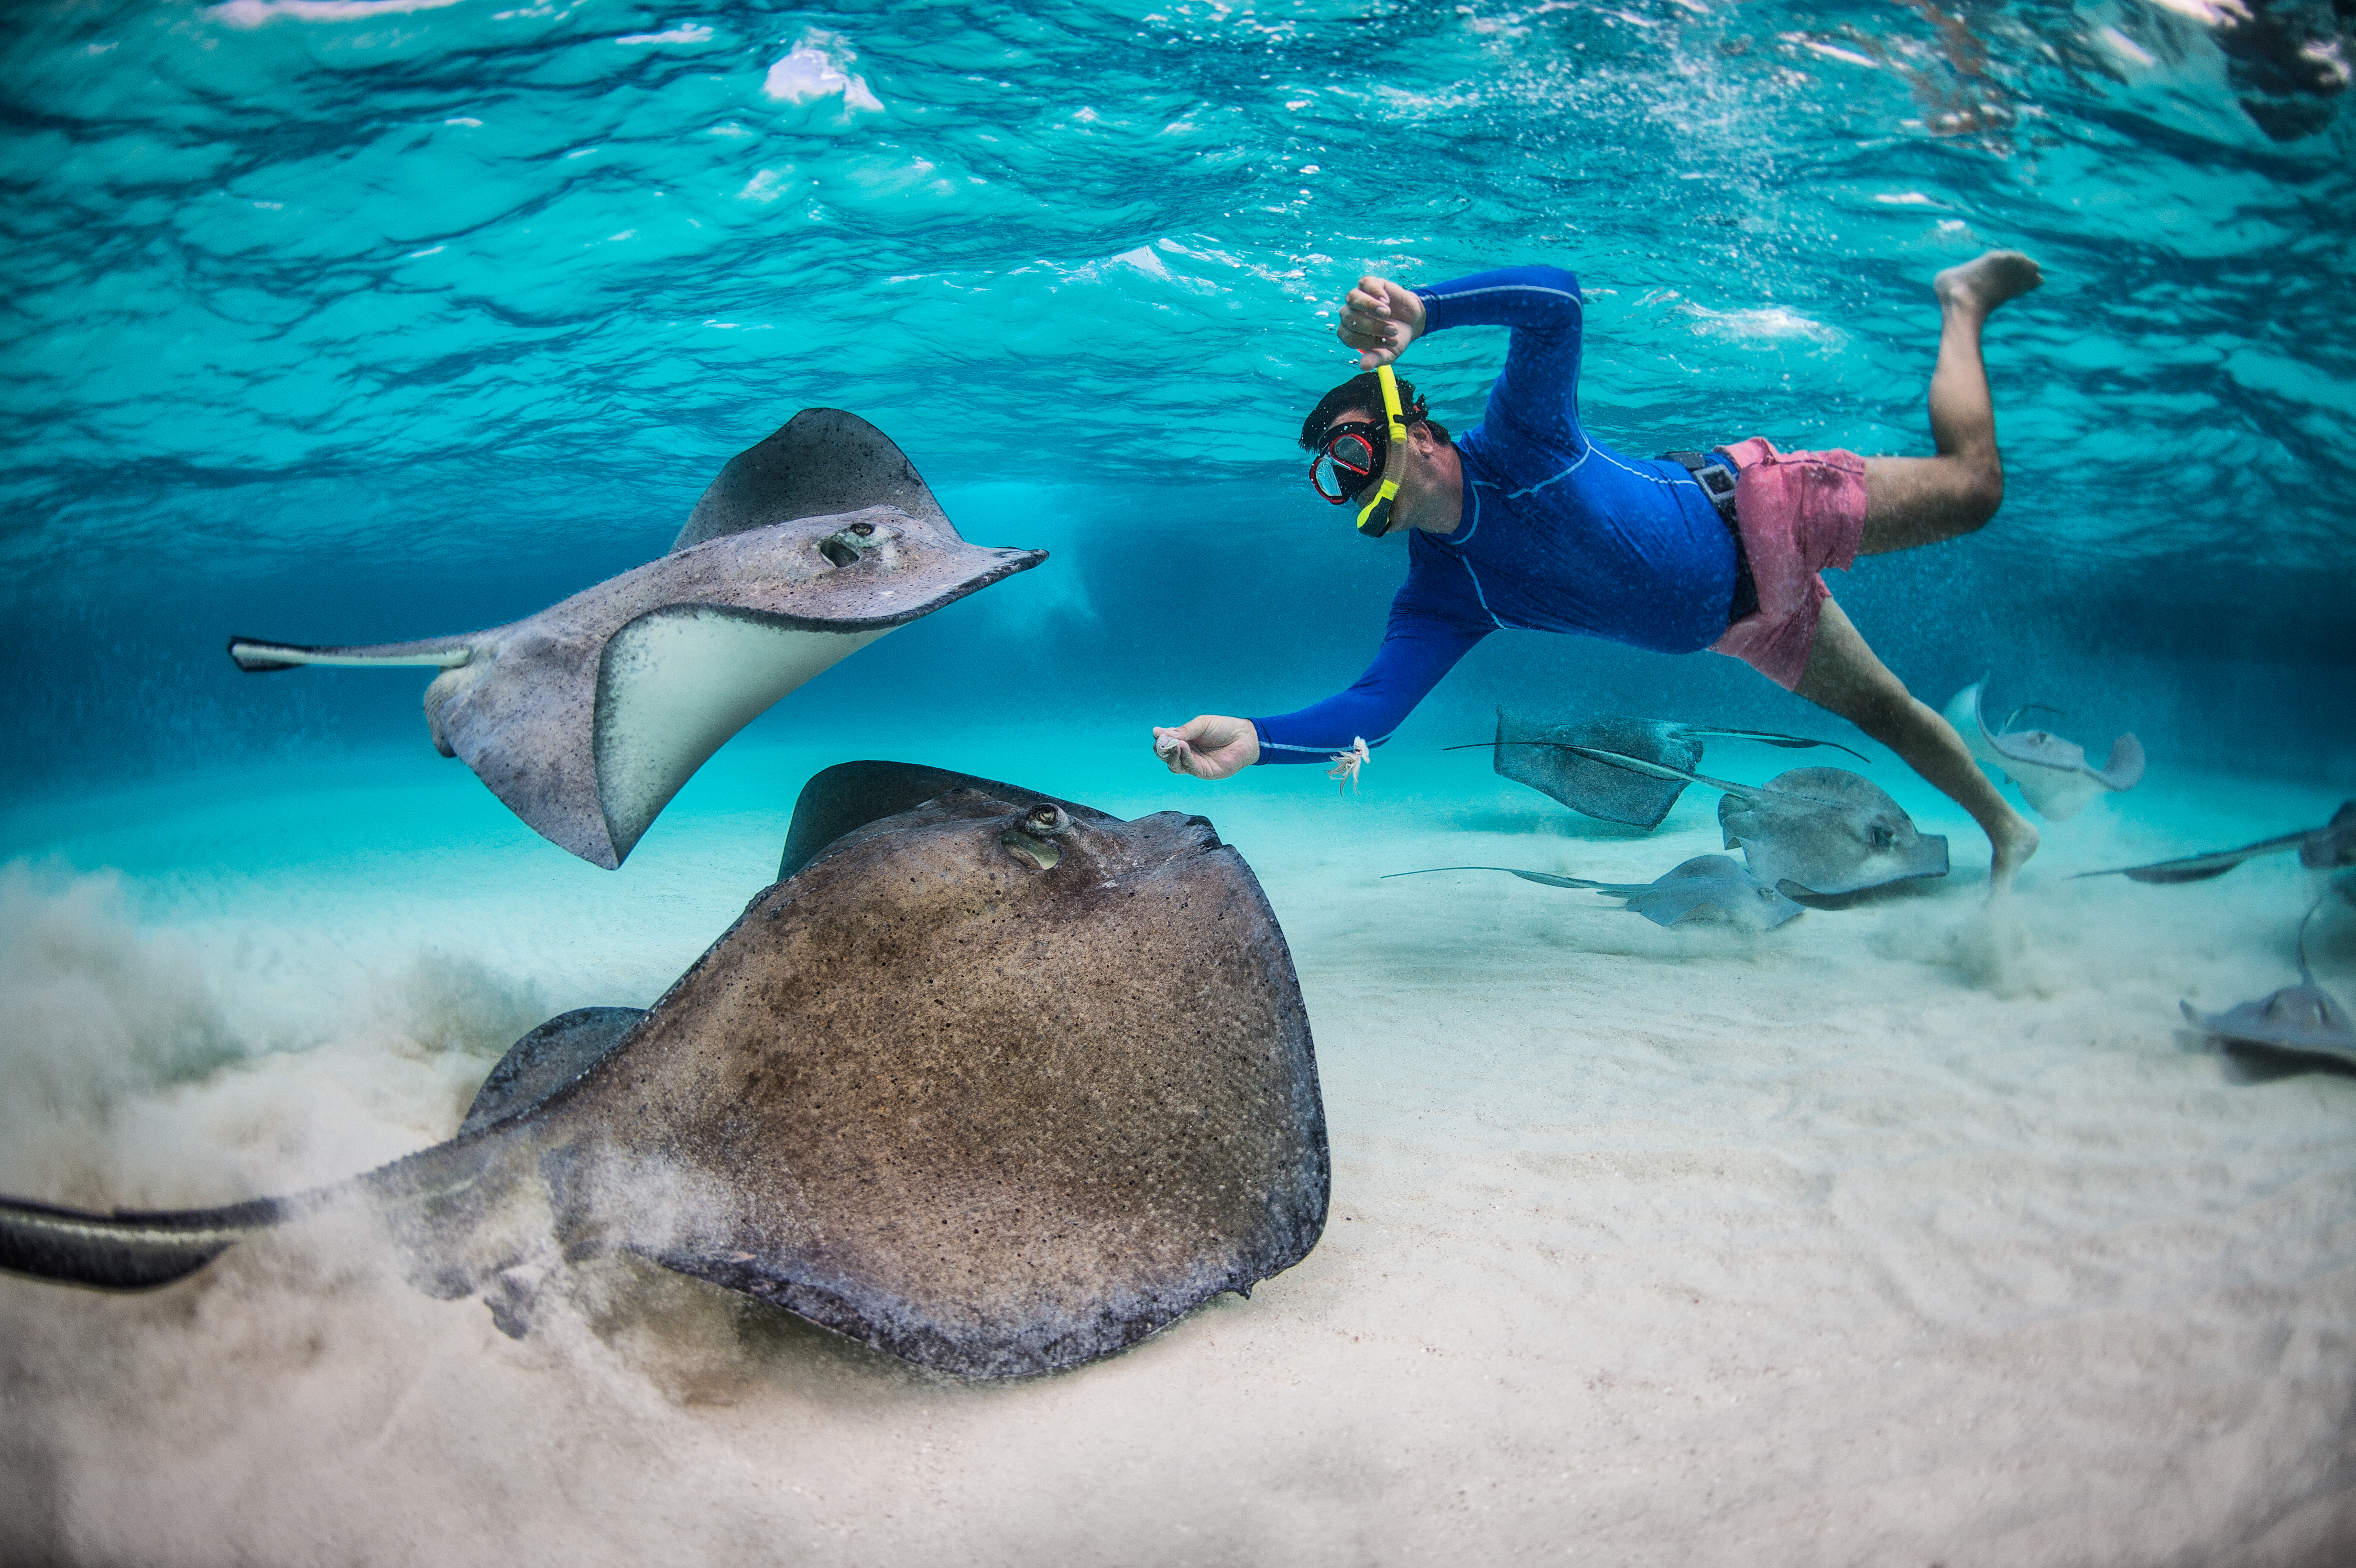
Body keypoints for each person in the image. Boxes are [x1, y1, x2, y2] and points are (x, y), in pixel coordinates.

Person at [1151, 251, 2047, 886]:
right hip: (1746, 627)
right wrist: (1257, 739)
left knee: (1974, 491)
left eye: (1352, 455)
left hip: (1759, 510)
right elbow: (1371, 716)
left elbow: (1558, 300)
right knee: (1887, 710)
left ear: (1415, 432)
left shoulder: (1521, 437)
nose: (1349, 484)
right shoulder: (1442, 594)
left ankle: (1961, 301)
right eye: (1333, 482)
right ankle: (2009, 832)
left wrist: (1425, 310)